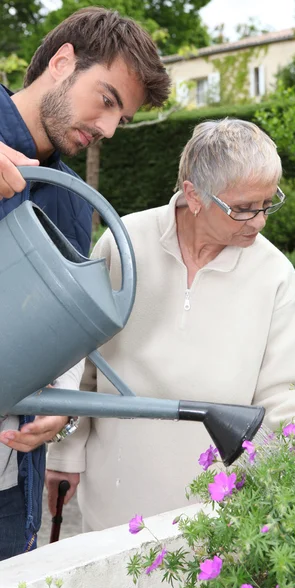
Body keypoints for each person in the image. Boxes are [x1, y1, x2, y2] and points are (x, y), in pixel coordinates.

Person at [45, 118, 295, 532]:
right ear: (194, 194)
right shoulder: (124, 244)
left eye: (268, 203)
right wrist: (64, 458)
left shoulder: (275, 273)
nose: (260, 221)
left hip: (217, 513)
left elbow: (286, 393)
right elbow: (82, 365)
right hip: (113, 502)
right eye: (243, 208)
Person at [0, 7, 170, 559]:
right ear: (63, 62)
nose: (108, 129)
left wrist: (62, 411)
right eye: (107, 100)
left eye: (121, 118)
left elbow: (63, 340)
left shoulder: (74, 201)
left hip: (7, 477)